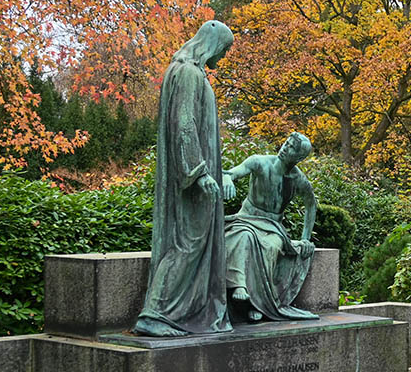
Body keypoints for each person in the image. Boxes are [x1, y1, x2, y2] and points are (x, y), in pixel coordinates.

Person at [133, 21, 235, 337]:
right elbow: (185, 125)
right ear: (212, 43)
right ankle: (155, 313)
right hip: (193, 181)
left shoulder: (185, 71)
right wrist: (199, 172)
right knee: (187, 245)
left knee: (191, 244)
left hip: (194, 177)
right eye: (225, 48)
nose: (224, 55)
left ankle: (183, 311)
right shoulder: (189, 73)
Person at [222, 132, 319, 321]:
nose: (285, 148)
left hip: (273, 227)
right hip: (246, 218)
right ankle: (239, 286)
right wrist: (227, 179)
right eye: (286, 143)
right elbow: (233, 172)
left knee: (271, 246)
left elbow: (311, 204)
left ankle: (258, 304)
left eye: (292, 147)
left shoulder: (298, 179)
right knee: (244, 236)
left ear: (299, 158)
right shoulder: (259, 162)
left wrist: (306, 237)